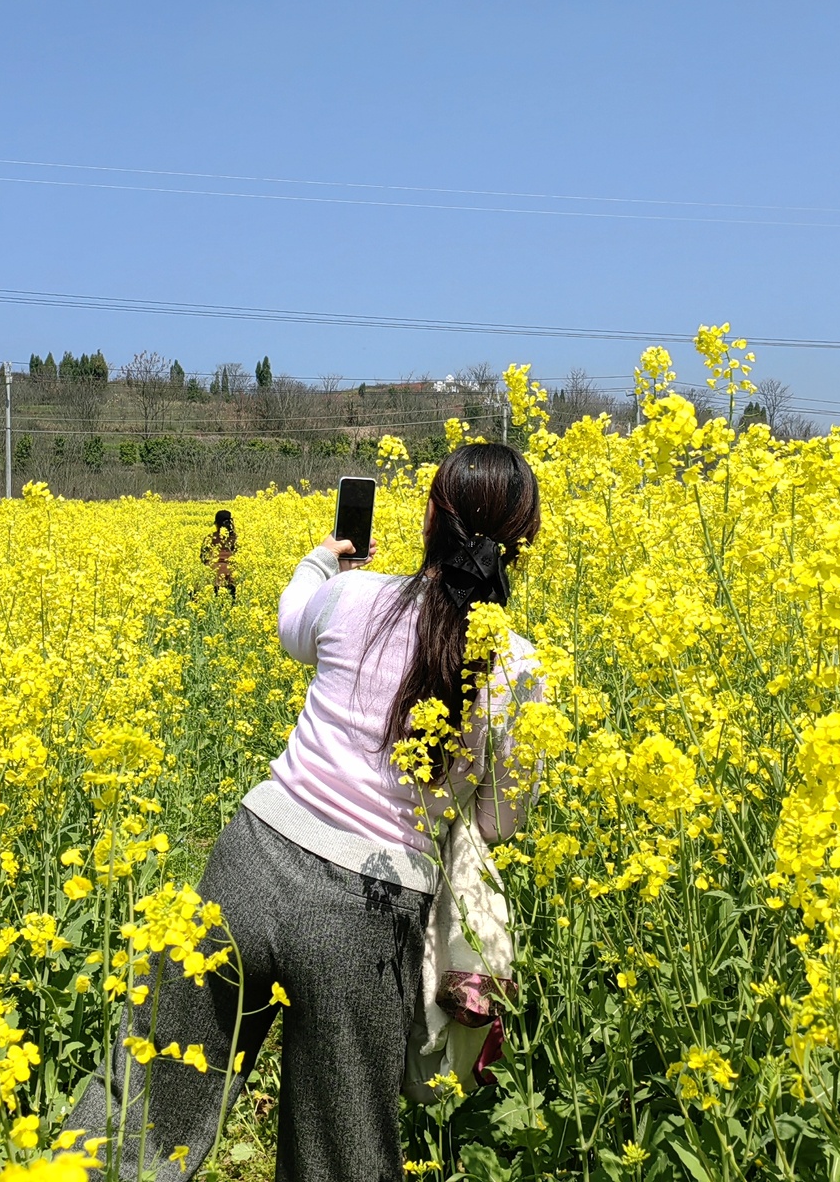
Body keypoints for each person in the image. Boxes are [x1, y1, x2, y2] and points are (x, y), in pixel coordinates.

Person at [66, 443, 544, 1182]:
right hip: (364, 915)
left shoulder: (356, 600)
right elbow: (496, 824)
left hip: (251, 859)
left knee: (145, 1103)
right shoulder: (518, 669)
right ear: (521, 545)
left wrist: (326, 559)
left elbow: (292, 625)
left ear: (428, 519)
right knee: (341, 1156)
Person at [201, 508, 239, 598]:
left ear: (217, 524)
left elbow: (203, 558)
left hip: (213, 578)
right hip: (232, 578)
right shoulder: (237, 539)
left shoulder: (210, 538)